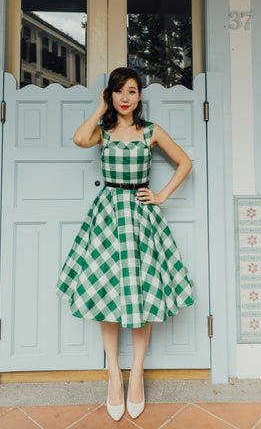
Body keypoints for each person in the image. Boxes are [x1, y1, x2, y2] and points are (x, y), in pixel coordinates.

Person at [56, 67, 194, 421]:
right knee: (106, 291)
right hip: (107, 216)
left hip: (140, 216)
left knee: (142, 292)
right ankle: (114, 375)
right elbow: (78, 139)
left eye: (131, 91)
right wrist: (100, 108)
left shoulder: (150, 132)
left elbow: (185, 162)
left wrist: (160, 195)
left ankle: (137, 373)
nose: (125, 98)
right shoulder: (102, 132)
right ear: (110, 95)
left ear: (139, 96)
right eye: (118, 92)